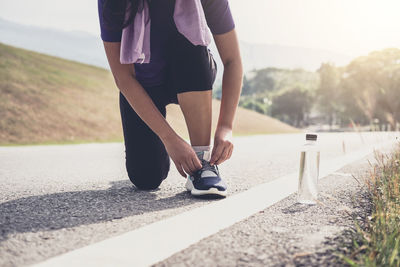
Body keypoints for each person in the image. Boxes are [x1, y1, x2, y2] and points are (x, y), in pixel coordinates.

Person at [97, 0, 243, 197]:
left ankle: (203, 163)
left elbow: (232, 60)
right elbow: (123, 77)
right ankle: (160, 149)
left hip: (191, 71)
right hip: (142, 84)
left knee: (190, 46)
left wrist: (225, 127)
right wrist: (169, 139)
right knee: (146, 178)